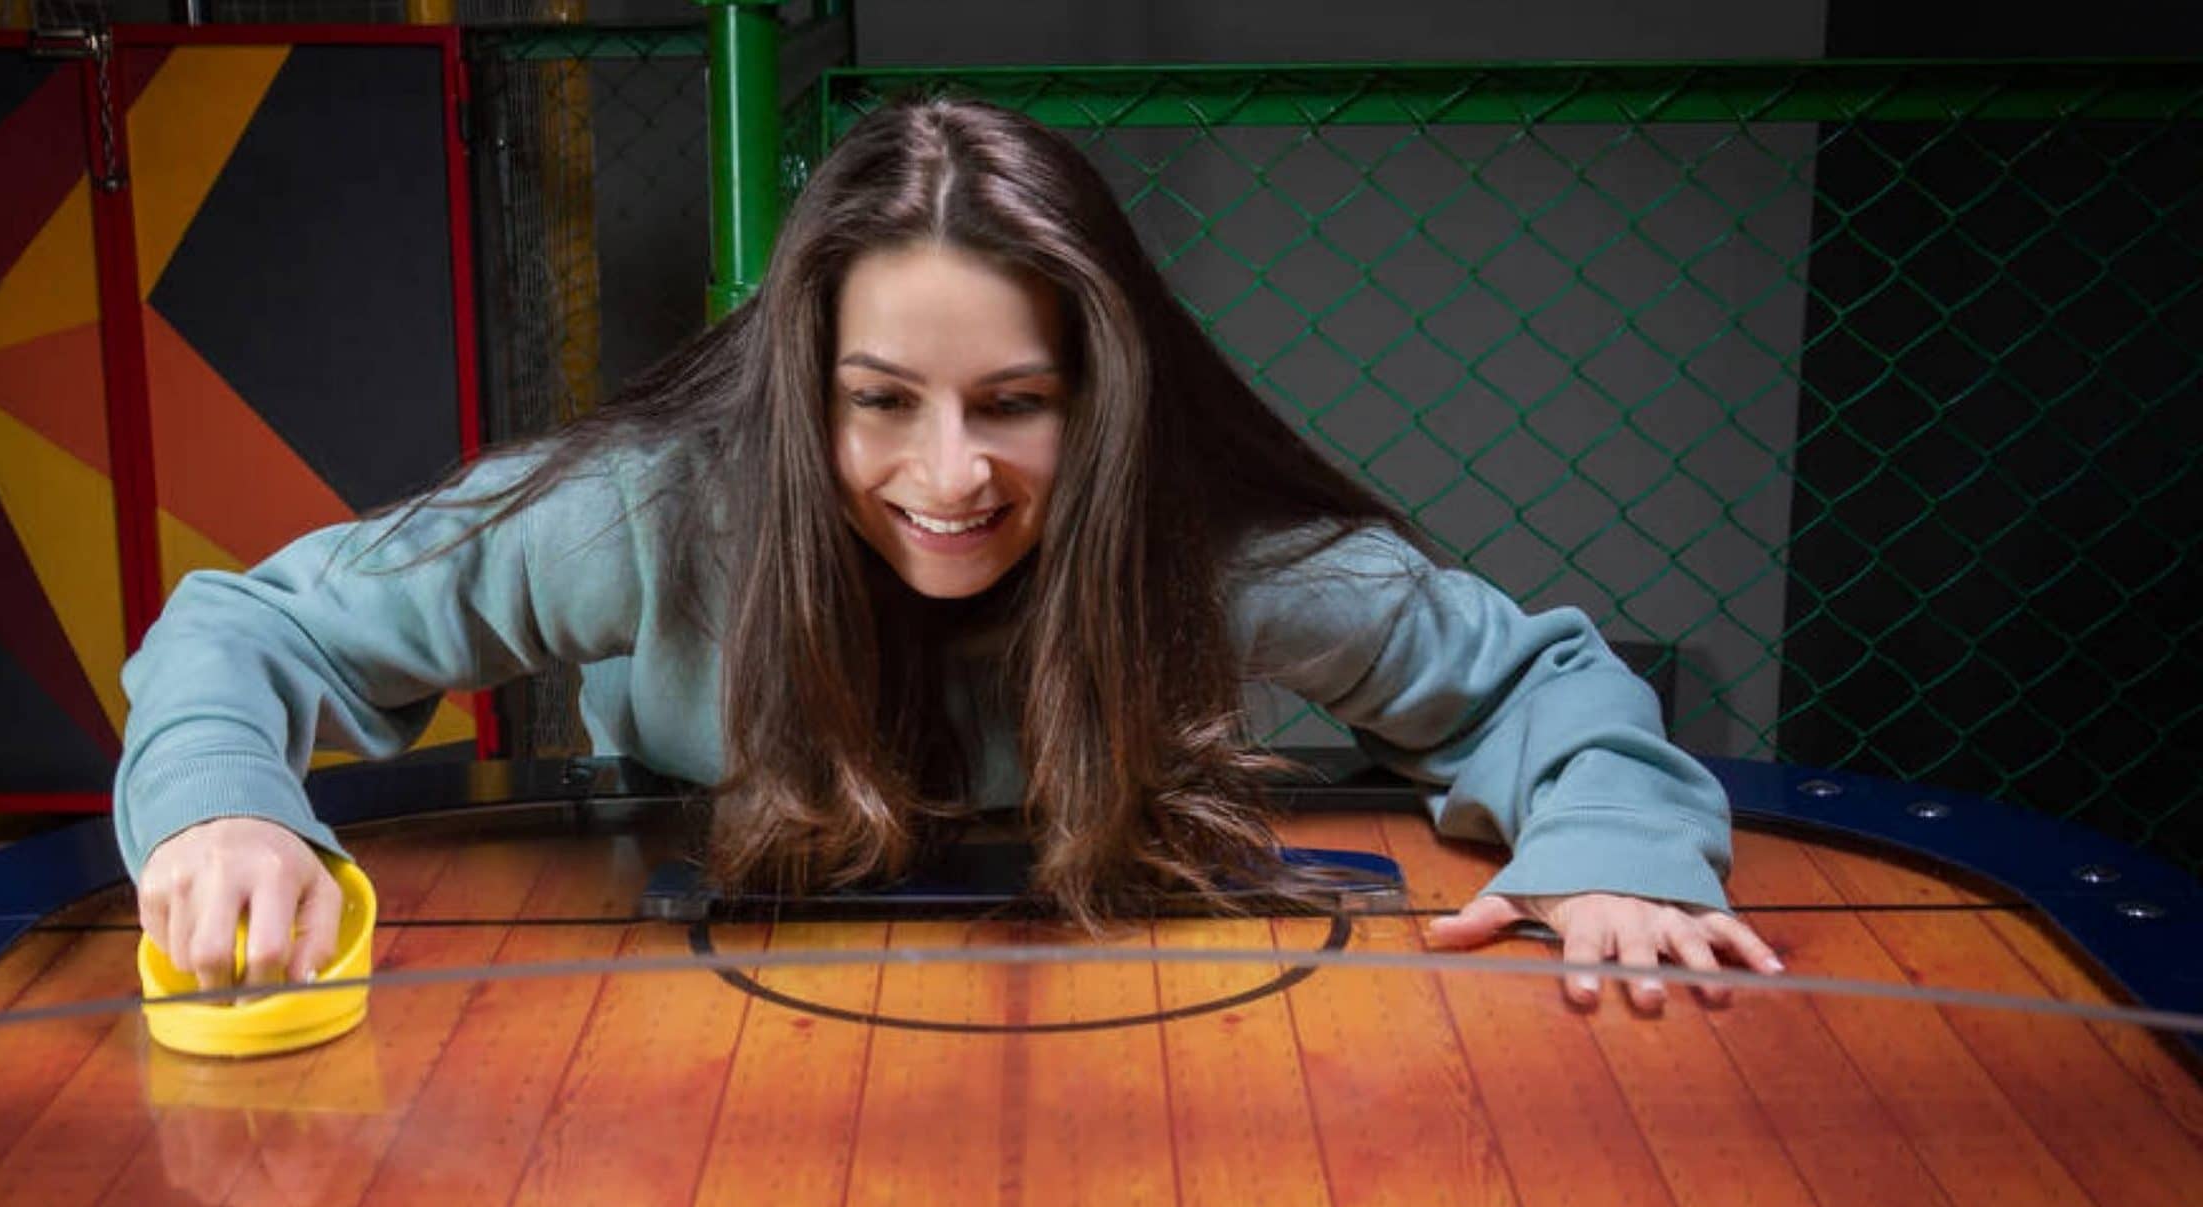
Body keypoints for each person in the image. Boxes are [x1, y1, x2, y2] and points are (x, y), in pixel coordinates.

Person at [116, 95, 1783, 1013]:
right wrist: (222, 805)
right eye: (880, 402)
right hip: (703, 1016)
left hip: (1113, 1023)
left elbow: (1535, 680)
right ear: (801, 392)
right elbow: (252, 627)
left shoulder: (1202, 550)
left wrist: (1620, 847)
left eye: (1015, 404)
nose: (947, 475)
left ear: (1102, 398)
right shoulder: (650, 510)